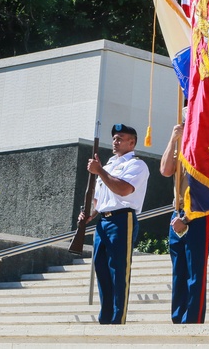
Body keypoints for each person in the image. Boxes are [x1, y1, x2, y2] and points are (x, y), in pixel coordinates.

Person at [77, 123, 150, 325]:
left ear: (132, 142)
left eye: (120, 138)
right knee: (101, 267)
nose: (115, 142)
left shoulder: (136, 164)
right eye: (115, 138)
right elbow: (99, 200)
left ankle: (118, 318)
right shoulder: (108, 166)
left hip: (122, 219)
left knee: (119, 269)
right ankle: (106, 316)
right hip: (103, 221)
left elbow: (123, 189)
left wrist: (99, 171)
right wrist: (89, 215)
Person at [159, 120, 209, 324]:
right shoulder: (182, 147)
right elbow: (165, 170)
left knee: (195, 272)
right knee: (179, 272)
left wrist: (187, 218)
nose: (185, 125)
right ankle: (178, 318)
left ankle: (192, 320)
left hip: (198, 214)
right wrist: (173, 139)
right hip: (178, 212)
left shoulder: (208, 149)